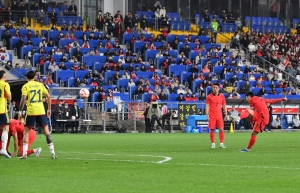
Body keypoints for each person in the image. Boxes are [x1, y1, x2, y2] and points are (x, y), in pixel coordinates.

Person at [18, 70, 57, 159]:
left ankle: (24, 154)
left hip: (31, 111)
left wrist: (20, 111)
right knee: (47, 133)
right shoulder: (40, 85)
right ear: (35, 77)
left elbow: (23, 99)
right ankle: (53, 153)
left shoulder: (25, 86)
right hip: (41, 110)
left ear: (26, 77)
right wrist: (49, 109)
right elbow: (48, 96)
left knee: (26, 133)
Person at [206, 82, 227, 149]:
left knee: (221, 129)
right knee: (212, 130)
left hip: (219, 116)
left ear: (218, 88)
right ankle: (213, 144)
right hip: (212, 116)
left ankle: (221, 143)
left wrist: (226, 114)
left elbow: (224, 106)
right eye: (214, 87)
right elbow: (207, 106)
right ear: (212, 88)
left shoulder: (222, 96)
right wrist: (207, 115)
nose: (215, 89)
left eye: (216, 87)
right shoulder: (209, 97)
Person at [0, 70, 12, 158]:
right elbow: (9, 97)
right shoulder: (5, 84)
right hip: (1, 110)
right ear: (4, 76)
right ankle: (3, 149)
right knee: (6, 128)